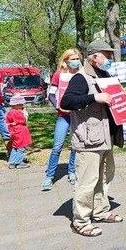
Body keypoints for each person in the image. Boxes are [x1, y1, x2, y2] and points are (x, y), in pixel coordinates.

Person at [61, 38, 126, 237]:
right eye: (106, 54)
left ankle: (101, 211)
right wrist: (93, 98)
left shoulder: (106, 75)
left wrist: (125, 92)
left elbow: (112, 100)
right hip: (89, 140)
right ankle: (81, 221)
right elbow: (67, 101)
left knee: (104, 176)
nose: (110, 57)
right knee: (87, 180)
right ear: (94, 57)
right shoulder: (81, 77)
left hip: (105, 137)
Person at [42, 48, 81, 191]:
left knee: (75, 146)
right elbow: (51, 95)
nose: (76, 61)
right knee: (57, 146)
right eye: (73, 59)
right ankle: (49, 177)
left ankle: (72, 171)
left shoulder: (81, 74)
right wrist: (59, 108)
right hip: (63, 116)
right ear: (65, 60)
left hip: (78, 116)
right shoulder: (59, 74)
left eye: (77, 58)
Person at [5, 95, 32, 169]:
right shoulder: (17, 113)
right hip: (20, 132)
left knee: (15, 147)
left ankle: (12, 162)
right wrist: (25, 113)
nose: (22, 106)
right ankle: (19, 162)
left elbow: (7, 122)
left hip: (14, 132)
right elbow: (23, 120)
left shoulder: (10, 112)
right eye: (21, 104)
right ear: (17, 105)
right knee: (21, 147)